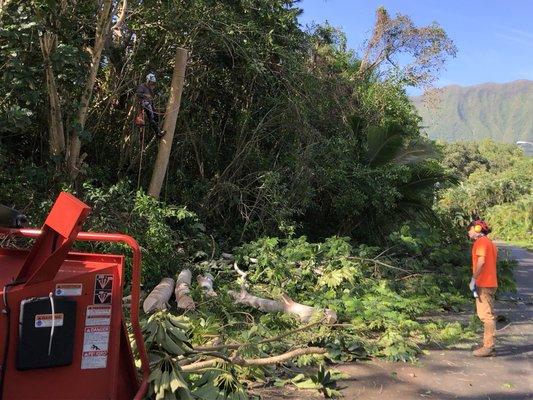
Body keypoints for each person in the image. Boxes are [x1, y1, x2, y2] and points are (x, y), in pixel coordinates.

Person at [467, 219, 498, 357]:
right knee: (487, 314)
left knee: (486, 316)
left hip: (484, 283)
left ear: (477, 229)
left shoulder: (481, 242)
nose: (468, 232)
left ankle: (488, 346)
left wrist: (474, 279)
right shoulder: (490, 243)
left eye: (470, 229)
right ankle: (488, 343)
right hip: (489, 282)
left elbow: (481, 261)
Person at [136, 73, 165, 138]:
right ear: (148, 81)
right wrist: (145, 95)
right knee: (151, 118)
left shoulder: (150, 89)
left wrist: (158, 94)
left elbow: (152, 96)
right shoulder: (142, 86)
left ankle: (157, 130)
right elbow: (138, 94)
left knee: (156, 117)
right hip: (145, 103)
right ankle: (158, 133)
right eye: (151, 82)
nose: (152, 84)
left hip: (150, 103)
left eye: (153, 83)